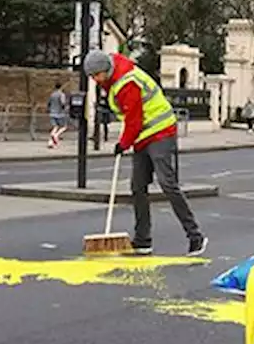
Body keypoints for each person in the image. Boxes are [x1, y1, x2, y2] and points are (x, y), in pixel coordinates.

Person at [83, 50, 207, 257]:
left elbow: (134, 119)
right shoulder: (112, 79)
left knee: (167, 184)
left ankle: (195, 236)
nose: (94, 80)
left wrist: (123, 143)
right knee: (137, 187)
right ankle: (142, 241)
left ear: (105, 70)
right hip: (142, 136)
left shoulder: (126, 83)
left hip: (161, 131)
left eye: (96, 75)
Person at [47, 82, 68, 148]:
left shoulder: (52, 94)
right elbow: (63, 103)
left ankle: (50, 142)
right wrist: (66, 108)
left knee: (55, 127)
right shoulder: (61, 94)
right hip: (60, 113)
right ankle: (56, 135)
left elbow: (49, 104)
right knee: (64, 127)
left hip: (52, 113)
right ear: (61, 87)